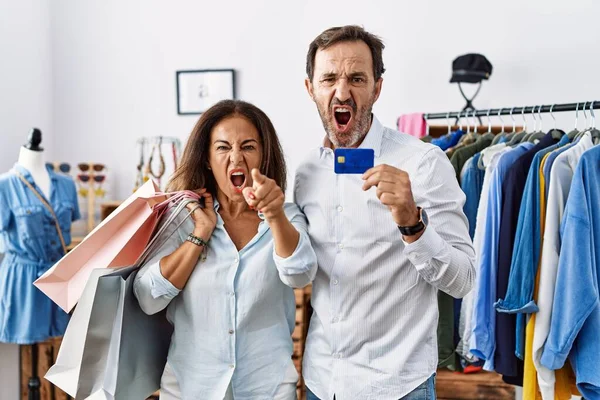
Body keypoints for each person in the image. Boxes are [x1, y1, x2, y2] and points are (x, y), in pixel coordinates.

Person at [295, 26, 476, 400]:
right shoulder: (305, 171)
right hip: (321, 381)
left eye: (356, 78)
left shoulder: (425, 163)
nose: (342, 91)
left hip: (397, 386)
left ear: (377, 88)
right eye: (329, 78)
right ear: (310, 88)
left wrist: (412, 222)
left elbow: (463, 280)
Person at [134, 99, 318, 400]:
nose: (236, 158)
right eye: (223, 147)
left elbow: (300, 275)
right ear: (207, 158)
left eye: (248, 147)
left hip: (267, 387)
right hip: (190, 387)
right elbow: (147, 298)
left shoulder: (286, 216)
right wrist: (199, 235)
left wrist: (274, 216)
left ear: (263, 154)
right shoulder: (183, 216)